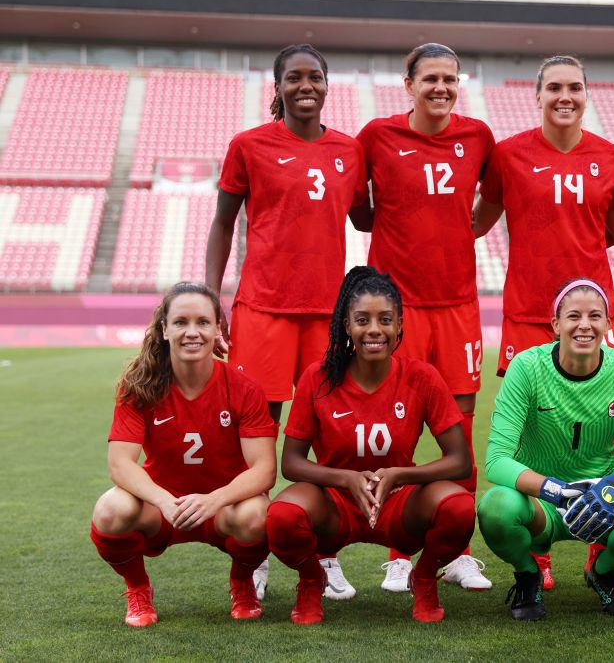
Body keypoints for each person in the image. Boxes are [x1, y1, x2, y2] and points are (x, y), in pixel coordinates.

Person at [206, 43, 371, 600]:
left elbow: (369, 214)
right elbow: (223, 222)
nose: (306, 85)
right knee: (257, 433)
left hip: (328, 315)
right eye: (295, 77)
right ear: (276, 88)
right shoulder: (249, 145)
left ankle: (323, 553)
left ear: (327, 85)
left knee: (327, 435)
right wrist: (212, 295)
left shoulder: (350, 150)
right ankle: (251, 553)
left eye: (316, 76)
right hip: (263, 309)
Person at [473, 55, 614, 589]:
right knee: (530, 430)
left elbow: (613, 230)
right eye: (555, 88)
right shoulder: (508, 154)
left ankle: (602, 542)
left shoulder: (611, 157)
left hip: (592, 313)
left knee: (602, 424)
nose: (566, 97)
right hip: (525, 310)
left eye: (576, 88)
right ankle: (538, 548)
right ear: (537, 96)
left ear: (587, 95)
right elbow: (480, 219)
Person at [355, 43, 495, 593]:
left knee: (458, 430)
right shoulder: (377, 136)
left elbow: (492, 202)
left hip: (458, 306)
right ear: (407, 84)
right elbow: (359, 209)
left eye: (450, 78)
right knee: (396, 430)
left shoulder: (478, 136)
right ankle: (397, 552)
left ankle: (457, 552)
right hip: (397, 312)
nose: (441, 87)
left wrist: (467, 229)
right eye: (430, 78)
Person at [263, 267, 474, 624]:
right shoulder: (319, 376)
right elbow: (292, 463)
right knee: (282, 517)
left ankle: (423, 579)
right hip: (337, 504)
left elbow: (460, 461)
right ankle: (312, 580)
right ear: (347, 326)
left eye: (385, 320)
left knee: (458, 508)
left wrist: (399, 475)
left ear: (399, 326)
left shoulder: (421, 376)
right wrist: (346, 479)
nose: (374, 329)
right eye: (362, 320)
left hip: (400, 503)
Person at [477, 279, 614, 621]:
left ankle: (605, 570)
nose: (585, 325)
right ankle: (528, 574)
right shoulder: (526, 367)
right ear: (555, 325)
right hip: (542, 502)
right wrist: (556, 491)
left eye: (595, 316)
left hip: (603, 501)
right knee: (495, 508)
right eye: (573, 316)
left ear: (609, 324)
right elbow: (496, 461)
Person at [90, 282, 276, 627]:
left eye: (203, 322)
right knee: (111, 510)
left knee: (260, 515)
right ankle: (138, 589)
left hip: (222, 509)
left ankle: (242, 583)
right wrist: (163, 501)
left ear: (218, 328)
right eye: (181, 322)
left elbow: (264, 470)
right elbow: (119, 464)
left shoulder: (244, 388)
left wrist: (214, 500)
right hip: (161, 509)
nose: (193, 332)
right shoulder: (139, 385)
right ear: (164, 329)